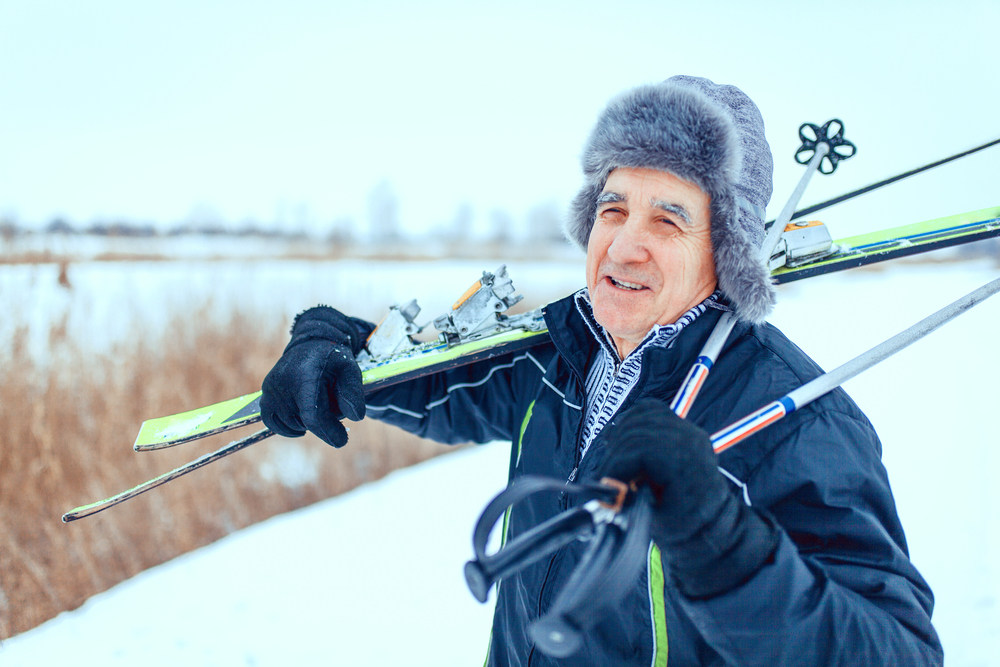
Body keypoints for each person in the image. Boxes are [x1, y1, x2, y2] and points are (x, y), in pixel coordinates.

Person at [259, 76, 943, 666]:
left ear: (726, 252)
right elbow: (450, 389)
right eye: (612, 209)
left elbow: (899, 647)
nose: (623, 246)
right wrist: (347, 353)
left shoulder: (800, 418)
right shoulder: (560, 351)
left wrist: (727, 547)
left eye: (668, 221)